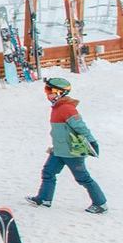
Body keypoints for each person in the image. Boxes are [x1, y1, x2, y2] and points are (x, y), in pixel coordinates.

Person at [28, 77, 108, 213]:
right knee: (48, 172)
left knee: (83, 178)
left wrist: (92, 141)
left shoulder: (66, 108)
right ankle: (44, 198)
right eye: (46, 90)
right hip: (59, 150)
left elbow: (81, 127)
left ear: (60, 92)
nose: (47, 94)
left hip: (72, 152)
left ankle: (100, 204)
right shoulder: (57, 107)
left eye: (50, 90)